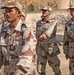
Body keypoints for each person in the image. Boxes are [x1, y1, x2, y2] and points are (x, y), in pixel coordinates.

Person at [1, 0, 37, 75]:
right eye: (6, 11)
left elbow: (27, 55)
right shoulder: (4, 31)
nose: (7, 13)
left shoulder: (26, 31)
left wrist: (19, 71)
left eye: (10, 11)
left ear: (18, 13)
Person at [36, 6, 61, 75]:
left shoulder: (53, 22)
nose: (43, 12)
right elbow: (37, 36)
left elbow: (48, 32)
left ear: (49, 12)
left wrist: (44, 35)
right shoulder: (38, 23)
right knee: (40, 69)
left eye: (45, 10)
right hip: (41, 49)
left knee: (55, 68)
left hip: (51, 49)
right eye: (43, 10)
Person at [63, 3, 74, 75]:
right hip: (72, 53)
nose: (72, 11)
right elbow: (65, 40)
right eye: (71, 10)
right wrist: (66, 52)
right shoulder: (68, 24)